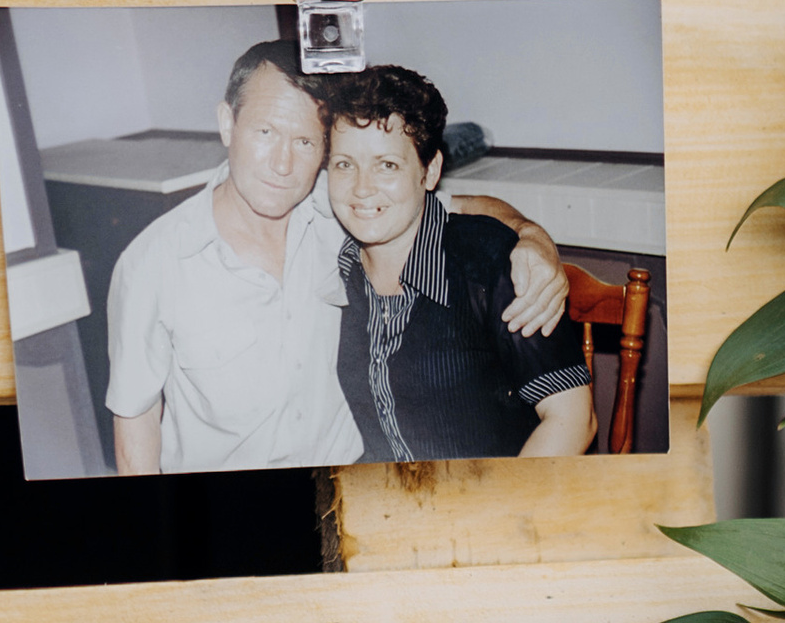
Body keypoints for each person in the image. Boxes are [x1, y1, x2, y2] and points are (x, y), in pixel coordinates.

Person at [105, 38, 570, 476]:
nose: (283, 164)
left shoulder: (343, 210)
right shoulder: (152, 264)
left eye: (305, 142)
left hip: (349, 488)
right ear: (227, 123)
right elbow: (135, 425)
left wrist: (534, 238)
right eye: (266, 131)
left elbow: (452, 206)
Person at [325, 62, 594, 464]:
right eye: (345, 164)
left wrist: (491, 519)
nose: (362, 188)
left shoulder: (492, 262)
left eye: (387, 165)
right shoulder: (330, 266)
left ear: (430, 170)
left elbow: (572, 419)